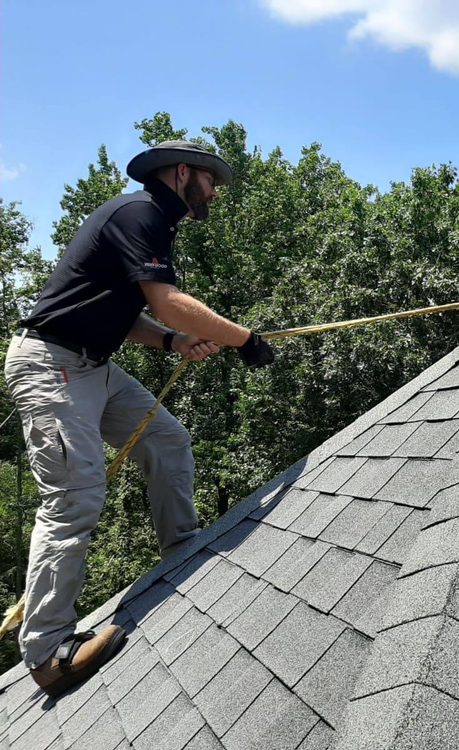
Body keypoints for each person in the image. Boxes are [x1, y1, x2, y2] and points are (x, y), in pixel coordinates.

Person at [4, 140, 275, 697]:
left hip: (91, 365)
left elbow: (126, 314)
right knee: (75, 494)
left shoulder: (152, 222)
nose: (217, 192)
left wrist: (173, 342)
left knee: (166, 439)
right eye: (212, 180)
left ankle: (182, 546)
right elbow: (168, 301)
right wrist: (245, 339)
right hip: (52, 364)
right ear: (182, 174)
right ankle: (48, 650)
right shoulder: (139, 214)